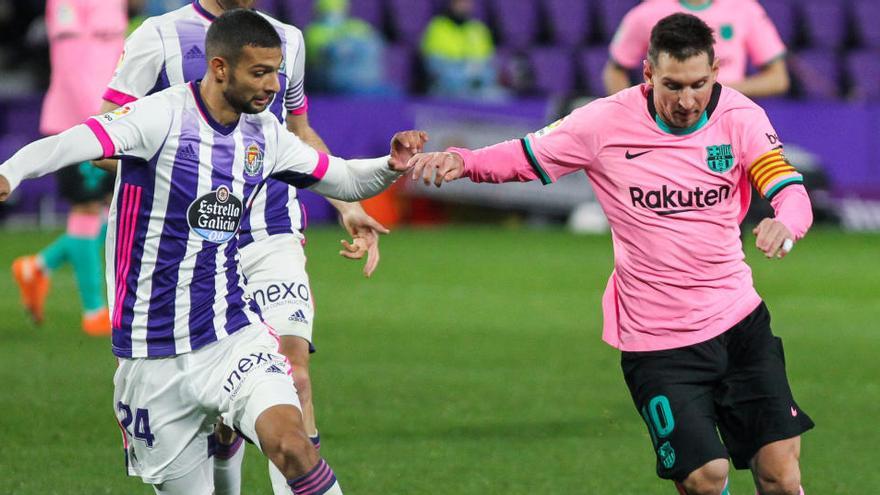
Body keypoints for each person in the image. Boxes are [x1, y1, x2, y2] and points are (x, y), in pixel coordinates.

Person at [0, 9, 425, 494]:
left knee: (292, 443)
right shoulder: (159, 116)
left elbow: (342, 176)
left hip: (230, 334)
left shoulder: (265, 134)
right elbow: (72, 142)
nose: (271, 87)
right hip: (150, 354)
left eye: (275, 72)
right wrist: (10, 173)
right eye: (259, 73)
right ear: (220, 68)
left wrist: (391, 165)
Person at [408, 14, 814, 495]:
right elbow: (526, 155)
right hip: (657, 341)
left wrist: (785, 224)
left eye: (699, 85)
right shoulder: (604, 121)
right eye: (673, 86)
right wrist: (463, 160)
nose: (687, 101)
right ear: (647, 74)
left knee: (781, 474)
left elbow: (789, 189)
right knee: (706, 478)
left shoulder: (741, 117)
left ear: (716, 72)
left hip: (740, 323)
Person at [97, 1, 389, 492]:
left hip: (269, 230)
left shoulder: (287, 40)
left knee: (292, 375)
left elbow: (299, 133)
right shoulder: (159, 36)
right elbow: (109, 133)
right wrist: (183, 178)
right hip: (190, 244)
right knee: (216, 412)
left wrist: (345, 201)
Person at [11, 0, 127, 336]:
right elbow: (70, 66)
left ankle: (37, 267)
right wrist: (95, 125)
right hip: (81, 123)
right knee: (87, 209)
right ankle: (94, 312)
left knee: (110, 210)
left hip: (114, 122)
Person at [603, 0, 790, 98]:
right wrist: (632, 114)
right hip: (667, 121)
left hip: (727, 119)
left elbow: (778, 79)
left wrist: (715, 90)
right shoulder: (647, 12)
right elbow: (615, 70)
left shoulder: (745, 8)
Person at [304, 0, 396, 95]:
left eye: (338, 9)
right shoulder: (313, 32)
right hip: (333, 82)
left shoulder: (356, 25)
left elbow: (375, 44)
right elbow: (324, 58)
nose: (335, 13)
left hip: (367, 81)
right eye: (331, 10)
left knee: (392, 93)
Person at [420, 0, 503, 100]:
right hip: (447, 89)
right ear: (451, 4)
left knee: (501, 96)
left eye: (467, 2)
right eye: (460, 2)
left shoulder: (479, 29)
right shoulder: (437, 28)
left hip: (479, 88)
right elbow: (435, 68)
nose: (464, 5)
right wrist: (465, 72)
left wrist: (480, 75)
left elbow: (491, 67)